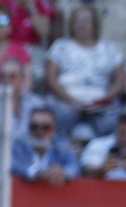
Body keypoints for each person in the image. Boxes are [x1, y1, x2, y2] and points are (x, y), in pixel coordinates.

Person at [44, 6, 122, 143]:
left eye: (86, 21)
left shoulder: (109, 49)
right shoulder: (60, 46)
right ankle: (61, 154)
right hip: (67, 101)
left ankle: (101, 157)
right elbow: (51, 79)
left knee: (111, 121)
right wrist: (74, 102)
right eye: (77, 21)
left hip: (101, 102)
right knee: (58, 118)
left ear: (95, 24)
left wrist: (105, 99)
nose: (81, 25)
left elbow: (120, 81)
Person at [0, 57, 40, 143]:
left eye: (12, 76)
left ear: (22, 78)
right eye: (2, 76)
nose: (6, 79)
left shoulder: (36, 103)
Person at [11, 107, 80, 186]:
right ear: (28, 129)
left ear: (54, 130)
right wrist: (38, 173)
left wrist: (64, 172)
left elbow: (74, 165)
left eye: (46, 127)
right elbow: (12, 165)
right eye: (34, 127)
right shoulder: (18, 145)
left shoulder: (61, 145)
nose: (40, 132)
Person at [81, 113, 126, 180]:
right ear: (116, 129)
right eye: (122, 133)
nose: (124, 138)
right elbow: (87, 170)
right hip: (101, 188)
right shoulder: (97, 144)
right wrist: (102, 169)